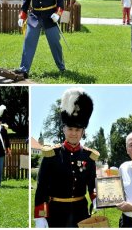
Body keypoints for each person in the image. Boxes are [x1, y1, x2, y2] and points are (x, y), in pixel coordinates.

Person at [34, 88, 99, 228]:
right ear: (64, 129)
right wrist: (40, 216)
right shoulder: (51, 155)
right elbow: (42, 188)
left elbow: (92, 185)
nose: (73, 133)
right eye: (70, 129)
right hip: (56, 213)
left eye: (77, 130)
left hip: (80, 213)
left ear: (83, 132)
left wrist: (96, 199)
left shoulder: (89, 157)